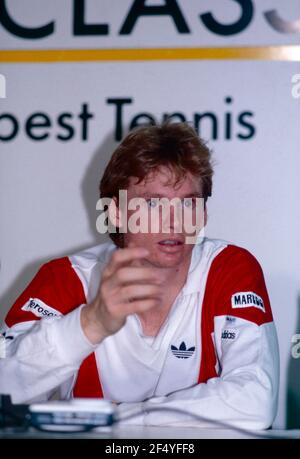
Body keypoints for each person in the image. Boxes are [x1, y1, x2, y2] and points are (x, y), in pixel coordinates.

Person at [0, 122, 279, 429]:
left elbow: (255, 401)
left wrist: (120, 417)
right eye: (153, 203)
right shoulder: (66, 278)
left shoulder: (229, 268)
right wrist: (89, 324)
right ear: (116, 212)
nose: (175, 222)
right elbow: (4, 386)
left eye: (189, 202)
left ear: (203, 214)